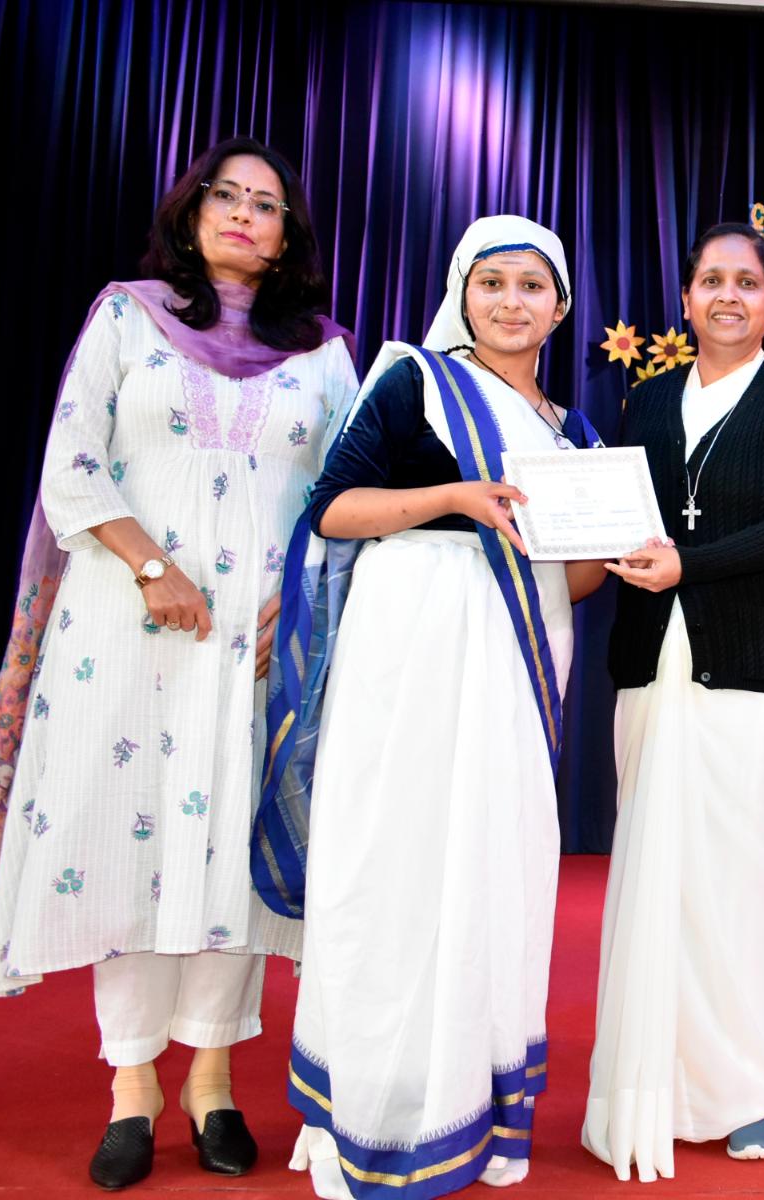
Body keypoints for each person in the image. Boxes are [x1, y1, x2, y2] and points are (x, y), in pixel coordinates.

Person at [0, 136, 357, 1188]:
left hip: (259, 642)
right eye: (228, 195)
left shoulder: (323, 354)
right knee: (127, 839)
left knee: (231, 840)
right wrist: (151, 566)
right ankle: (133, 1087)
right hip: (128, 627)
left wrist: (305, 592)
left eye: (267, 204)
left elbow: (347, 492)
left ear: (287, 237)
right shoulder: (127, 317)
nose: (244, 213)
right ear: (192, 211)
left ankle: (212, 1080)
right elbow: (72, 460)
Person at [276, 215, 607, 1200]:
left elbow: (574, 581)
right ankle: (373, 1110)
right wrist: (454, 498)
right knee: (396, 862)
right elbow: (334, 510)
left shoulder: (574, 433)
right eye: (491, 282)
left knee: (497, 867)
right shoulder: (414, 379)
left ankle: (481, 1104)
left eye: (532, 286)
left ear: (561, 307)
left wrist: (617, 553)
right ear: (463, 293)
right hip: (409, 649)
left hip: (515, 659)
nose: (511, 302)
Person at [582, 221, 764, 1181]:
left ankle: (746, 1095)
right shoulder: (647, 401)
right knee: (656, 879)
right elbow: (615, 517)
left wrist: (686, 565)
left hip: (763, 679)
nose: (727, 295)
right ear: (687, 300)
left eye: (746, 282)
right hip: (651, 670)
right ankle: (646, 1084)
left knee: (747, 894)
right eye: (710, 280)